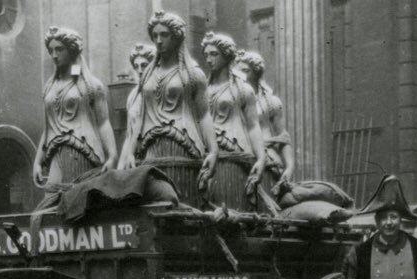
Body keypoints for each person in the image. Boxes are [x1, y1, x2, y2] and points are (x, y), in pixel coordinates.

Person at [119, 11, 219, 207]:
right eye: (155, 35)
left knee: (185, 201)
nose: (158, 40)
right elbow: (138, 118)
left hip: (183, 146)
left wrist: (213, 151)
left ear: (176, 36)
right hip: (151, 148)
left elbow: (204, 115)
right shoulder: (148, 75)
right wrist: (130, 151)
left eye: (164, 35)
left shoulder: (193, 74)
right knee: (155, 204)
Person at [34, 26, 118, 186]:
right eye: (51, 50)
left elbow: (103, 122)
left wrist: (113, 155)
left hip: (83, 153)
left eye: (59, 49)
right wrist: (37, 162)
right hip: (56, 154)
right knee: (53, 202)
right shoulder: (49, 88)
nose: (54, 55)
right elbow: (47, 128)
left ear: (72, 51)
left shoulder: (91, 85)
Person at [201, 32, 265, 211]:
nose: (209, 59)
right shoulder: (202, 90)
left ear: (227, 55)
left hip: (234, 154)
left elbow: (253, 126)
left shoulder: (243, 89)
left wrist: (261, 158)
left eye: (214, 54)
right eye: (206, 54)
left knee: (233, 204)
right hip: (207, 155)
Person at [235, 50, 295, 193]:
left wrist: (290, 167)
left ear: (256, 73)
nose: (241, 76)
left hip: (268, 159)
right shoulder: (232, 100)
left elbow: (283, 137)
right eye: (237, 72)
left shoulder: (271, 102)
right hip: (240, 157)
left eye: (245, 71)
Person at [118, 43, 155, 171]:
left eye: (144, 65)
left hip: (154, 152)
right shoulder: (133, 96)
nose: (140, 70)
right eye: (136, 66)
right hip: (134, 154)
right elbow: (129, 135)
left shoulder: (158, 92)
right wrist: (120, 167)